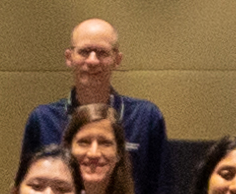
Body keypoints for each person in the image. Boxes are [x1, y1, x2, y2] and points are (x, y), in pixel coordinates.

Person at [16, 18, 165, 168]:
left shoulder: (145, 117)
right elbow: (28, 183)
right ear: (69, 57)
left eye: (102, 53)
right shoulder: (43, 119)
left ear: (117, 60)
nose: (93, 61)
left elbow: (160, 190)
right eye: (84, 52)